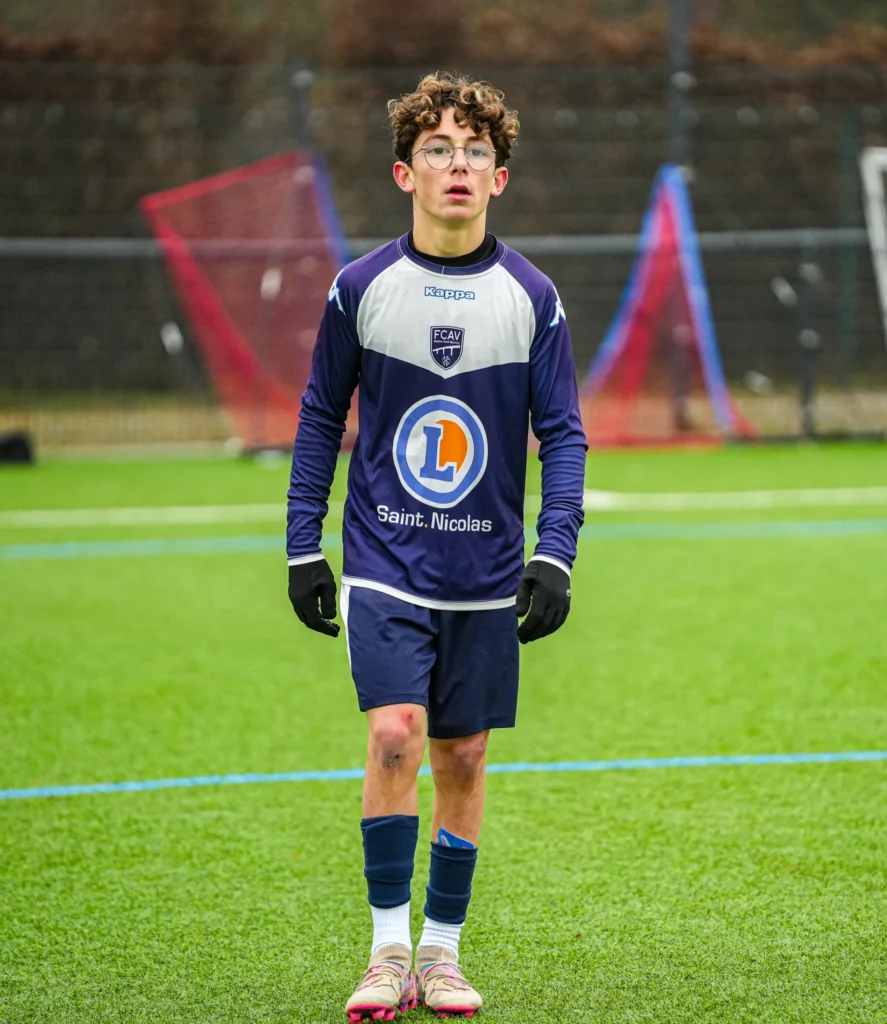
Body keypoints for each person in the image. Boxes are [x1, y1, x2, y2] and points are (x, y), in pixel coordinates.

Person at [286, 71, 587, 1021]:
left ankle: (442, 957)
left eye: (474, 152)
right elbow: (319, 415)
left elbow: (563, 435)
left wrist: (555, 553)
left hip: (485, 571)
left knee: (462, 756)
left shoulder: (531, 297)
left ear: (498, 178)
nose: (456, 165)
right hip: (384, 560)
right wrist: (302, 545)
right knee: (393, 735)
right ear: (403, 172)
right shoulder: (361, 288)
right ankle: (386, 954)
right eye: (437, 150)